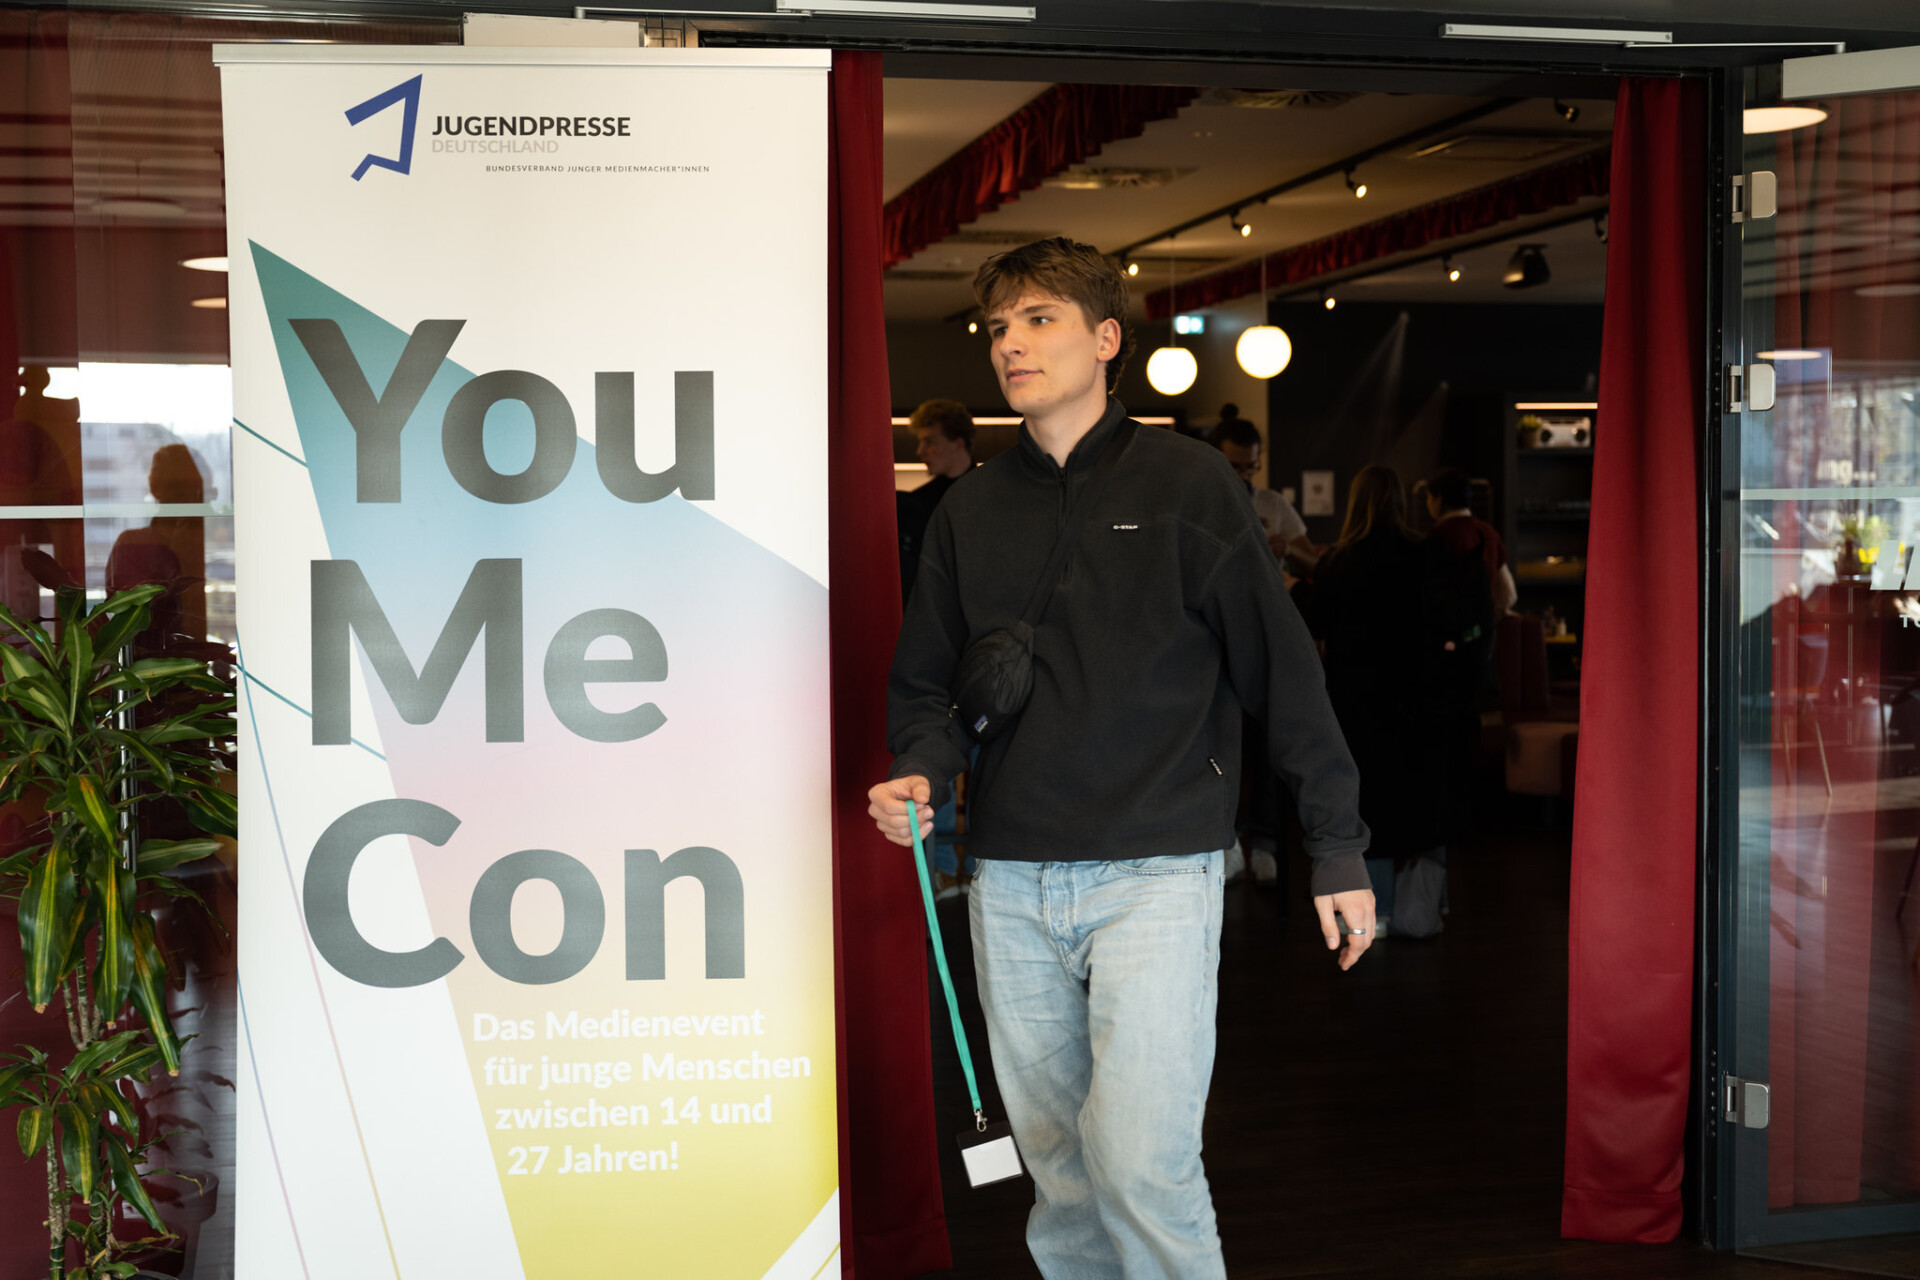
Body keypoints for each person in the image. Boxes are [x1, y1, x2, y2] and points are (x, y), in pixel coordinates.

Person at [868, 236, 1373, 1280]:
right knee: (1061, 1174)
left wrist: (1337, 846)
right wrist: (919, 766)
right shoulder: (969, 508)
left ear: (1105, 339)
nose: (1010, 343)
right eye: (998, 327)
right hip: (1009, 879)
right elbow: (926, 683)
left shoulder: (1190, 482)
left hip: (1158, 870)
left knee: (1142, 1164)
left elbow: (1283, 672)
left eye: (1038, 319)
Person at [1307, 465, 1447, 933]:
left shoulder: (1337, 561)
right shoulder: (1425, 553)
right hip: (1413, 699)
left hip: (1355, 702)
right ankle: (1421, 912)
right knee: (1417, 804)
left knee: (1366, 806)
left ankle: (1373, 915)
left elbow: (1317, 632)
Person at [1209, 416, 1317, 569]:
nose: (1243, 476)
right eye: (1234, 467)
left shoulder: (1274, 503)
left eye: (1250, 466)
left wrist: (1289, 549)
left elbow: (1315, 564)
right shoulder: (1203, 503)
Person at [896, 398, 975, 604]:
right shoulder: (914, 503)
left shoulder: (990, 495)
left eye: (929, 442)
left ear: (958, 443)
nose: (920, 451)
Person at [1421, 466, 1516, 616]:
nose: (1427, 503)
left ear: (1439, 500)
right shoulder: (1488, 532)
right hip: (1483, 624)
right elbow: (1508, 595)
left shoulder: (1437, 536)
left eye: (1428, 497)